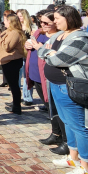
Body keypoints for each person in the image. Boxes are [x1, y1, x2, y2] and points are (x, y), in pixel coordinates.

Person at [36, 5, 88, 174]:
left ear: (69, 18)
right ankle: (73, 157)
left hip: (71, 86)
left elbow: (57, 59)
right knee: (67, 123)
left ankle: (87, 169)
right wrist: (49, 52)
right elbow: (48, 53)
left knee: (78, 126)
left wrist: (46, 51)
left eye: (57, 18)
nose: (54, 22)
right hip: (57, 85)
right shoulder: (60, 35)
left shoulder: (81, 38)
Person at [30, 10, 70, 153]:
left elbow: (56, 57)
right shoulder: (38, 33)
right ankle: (56, 133)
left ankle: (66, 139)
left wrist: (39, 48)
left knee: (58, 108)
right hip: (36, 75)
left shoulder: (59, 37)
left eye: (47, 22)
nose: (43, 25)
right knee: (49, 107)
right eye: (41, 22)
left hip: (51, 77)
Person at [0, 14, 26, 114]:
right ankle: (15, 103)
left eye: (5, 21)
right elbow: (0, 42)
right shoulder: (8, 31)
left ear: (10, 22)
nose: (4, 22)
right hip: (7, 61)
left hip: (12, 61)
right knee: (12, 85)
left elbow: (7, 46)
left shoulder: (15, 33)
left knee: (14, 85)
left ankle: (16, 107)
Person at [16, 9, 34, 105]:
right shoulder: (16, 27)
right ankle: (17, 96)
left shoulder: (31, 27)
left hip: (27, 54)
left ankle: (27, 97)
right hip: (18, 54)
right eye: (18, 16)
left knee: (27, 76)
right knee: (17, 76)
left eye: (21, 16)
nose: (19, 18)